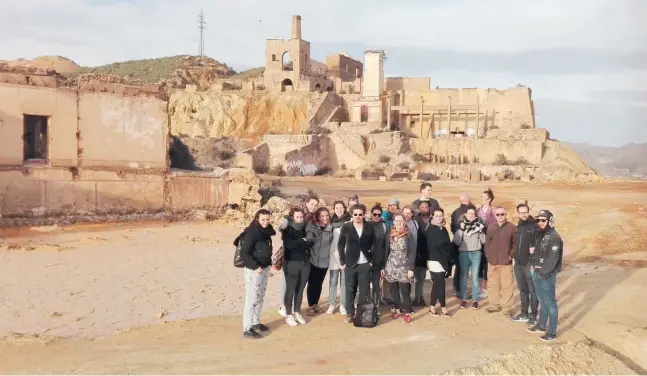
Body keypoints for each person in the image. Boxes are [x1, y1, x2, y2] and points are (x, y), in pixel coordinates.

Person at [527, 209, 563, 342]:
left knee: (550, 302)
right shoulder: (541, 235)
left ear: (550, 221)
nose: (540, 223)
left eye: (543, 220)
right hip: (537, 272)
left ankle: (552, 332)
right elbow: (536, 253)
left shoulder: (554, 237)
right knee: (542, 300)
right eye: (538, 220)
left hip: (546, 275)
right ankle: (542, 325)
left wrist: (543, 272)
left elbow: (552, 259)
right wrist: (533, 266)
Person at [240, 209, 276, 339]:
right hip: (254, 270)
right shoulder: (252, 232)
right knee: (252, 298)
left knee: (260, 297)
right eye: (263, 220)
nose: (265, 222)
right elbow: (245, 253)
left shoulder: (266, 231)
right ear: (257, 219)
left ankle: (255, 323)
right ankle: (247, 327)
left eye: (267, 219)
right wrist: (256, 267)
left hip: (264, 268)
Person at [338, 204, 375, 323]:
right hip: (350, 263)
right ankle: (350, 313)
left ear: (364, 214)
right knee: (350, 289)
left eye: (360, 214)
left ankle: (361, 313)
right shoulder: (346, 227)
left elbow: (374, 243)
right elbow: (340, 244)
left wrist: (371, 260)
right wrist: (343, 262)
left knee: (364, 291)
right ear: (352, 214)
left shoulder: (369, 226)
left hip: (365, 264)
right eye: (355, 214)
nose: (358, 216)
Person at [282, 208, 314, 326]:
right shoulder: (287, 230)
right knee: (291, 289)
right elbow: (289, 245)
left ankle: (297, 312)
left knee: (300, 290)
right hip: (291, 263)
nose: (300, 219)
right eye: (297, 217)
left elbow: (311, 242)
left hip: (305, 263)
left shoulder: (306, 228)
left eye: (301, 217)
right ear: (292, 217)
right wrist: (303, 241)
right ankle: (288, 314)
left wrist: (302, 241)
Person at [382, 214, 417, 323]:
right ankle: (397, 310)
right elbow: (385, 252)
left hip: (404, 267)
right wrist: (384, 266)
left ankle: (407, 312)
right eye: (396, 221)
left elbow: (412, 252)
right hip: (391, 266)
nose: (398, 223)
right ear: (393, 222)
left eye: (400, 221)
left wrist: (411, 268)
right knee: (394, 291)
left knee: (405, 291)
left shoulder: (408, 235)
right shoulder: (389, 235)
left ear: (404, 222)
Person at [484, 206, 516, 315]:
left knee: (507, 285)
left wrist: (510, 257)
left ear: (506, 215)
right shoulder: (491, 227)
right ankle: (494, 305)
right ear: (494, 216)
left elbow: (515, 245)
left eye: (502, 214)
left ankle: (506, 307)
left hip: (505, 262)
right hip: (492, 261)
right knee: (493, 284)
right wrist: (488, 255)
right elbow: (487, 242)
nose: (500, 216)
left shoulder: (512, 227)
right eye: (497, 214)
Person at [453, 205, 486, 309]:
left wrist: (481, 232)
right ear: (466, 215)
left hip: (476, 253)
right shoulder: (461, 226)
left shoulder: (479, 226)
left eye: (473, 213)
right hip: (464, 254)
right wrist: (461, 230)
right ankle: (463, 299)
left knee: (475, 277)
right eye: (469, 213)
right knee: (463, 277)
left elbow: (484, 241)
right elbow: (457, 241)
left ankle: (475, 300)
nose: (471, 215)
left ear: (475, 215)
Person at [512, 203, 539, 325]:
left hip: (530, 263)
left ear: (528, 212)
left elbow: (540, 244)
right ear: (518, 213)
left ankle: (533, 315)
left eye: (525, 212)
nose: (523, 214)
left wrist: (535, 254)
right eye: (521, 212)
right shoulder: (518, 226)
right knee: (522, 290)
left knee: (533, 290)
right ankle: (524, 313)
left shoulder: (535, 226)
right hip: (518, 263)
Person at [305, 207, 333, 316]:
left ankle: (315, 303)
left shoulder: (331, 228)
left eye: (327, 216)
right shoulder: (313, 227)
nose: (325, 218)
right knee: (312, 283)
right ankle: (311, 305)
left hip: (324, 261)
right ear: (318, 217)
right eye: (322, 216)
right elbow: (308, 239)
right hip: (313, 259)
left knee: (319, 284)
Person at [426, 207, 452, 317]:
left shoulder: (443, 229)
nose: (439, 218)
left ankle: (432, 307)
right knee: (440, 283)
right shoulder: (431, 229)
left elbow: (447, 244)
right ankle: (443, 307)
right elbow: (436, 245)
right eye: (436, 215)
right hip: (434, 260)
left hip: (443, 259)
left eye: (440, 216)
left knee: (437, 284)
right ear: (432, 216)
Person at [328, 201, 350, 315]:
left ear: (345, 209)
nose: (339, 210)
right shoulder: (331, 222)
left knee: (344, 281)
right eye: (337, 208)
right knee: (333, 281)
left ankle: (342, 304)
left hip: (345, 255)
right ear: (334, 209)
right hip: (333, 255)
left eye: (341, 208)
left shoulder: (349, 221)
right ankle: (331, 304)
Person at [449, 192, 472, 297]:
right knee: (465, 268)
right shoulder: (471, 211)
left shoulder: (455, 212)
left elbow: (452, 227)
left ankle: (456, 289)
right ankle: (461, 290)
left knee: (459, 267)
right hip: (468, 244)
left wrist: (457, 236)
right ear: (467, 200)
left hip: (457, 242)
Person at [369, 204, 390, 305]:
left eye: (379, 214)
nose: (376, 216)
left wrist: (384, 262)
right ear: (371, 214)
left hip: (379, 259)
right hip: (367, 260)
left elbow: (386, 245)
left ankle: (375, 305)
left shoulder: (384, 226)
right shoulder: (366, 225)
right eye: (374, 214)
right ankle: (365, 305)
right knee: (364, 284)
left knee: (376, 283)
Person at [477, 188, 495, 298]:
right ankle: (479, 288)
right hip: (479, 240)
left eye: (485, 197)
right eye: (482, 197)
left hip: (488, 240)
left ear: (489, 199)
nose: (483, 199)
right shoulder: (478, 209)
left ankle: (486, 289)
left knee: (486, 265)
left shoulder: (492, 211)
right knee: (478, 263)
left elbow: (494, 225)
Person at [412, 200, 431, 306]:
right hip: (416, 252)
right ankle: (415, 298)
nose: (424, 208)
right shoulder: (415, 220)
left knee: (422, 277)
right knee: (414, 277)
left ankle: (421, 297)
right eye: (422, 207)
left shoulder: (432, 220)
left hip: (427, 253)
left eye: (426, 206)